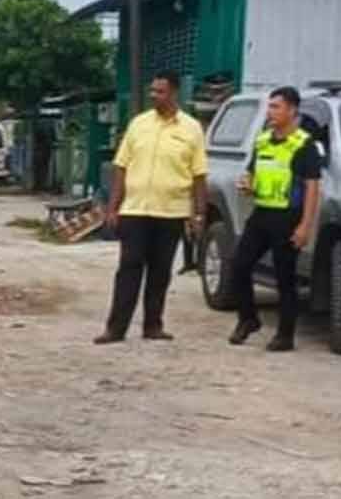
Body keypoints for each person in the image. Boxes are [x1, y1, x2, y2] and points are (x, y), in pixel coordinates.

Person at [95, 71, 208, 344]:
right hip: (135, 210)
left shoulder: (191, 129)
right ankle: (115, 328)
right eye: (152, 91)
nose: (153, 95)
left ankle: (153, 325)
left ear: (174, 93)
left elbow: (199, 175)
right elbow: (121, 167)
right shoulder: (138, 124)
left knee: (160, 271)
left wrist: (199, 213)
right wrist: (113, 207)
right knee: (129, 268)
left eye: (159, 91)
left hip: (171, 212)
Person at [229, 86, 322, 352]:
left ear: (292, 110)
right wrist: (247, 184)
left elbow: (312, 187)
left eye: (275, 107)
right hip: (262, 214)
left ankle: (285, 335)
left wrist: (305, 226)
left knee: (284, 278)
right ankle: (248, 319)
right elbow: (253, 173)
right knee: (239, 265)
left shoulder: (304, 145)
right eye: (269, 106)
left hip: (288, 218)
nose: (270, 112)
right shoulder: (263, 140)